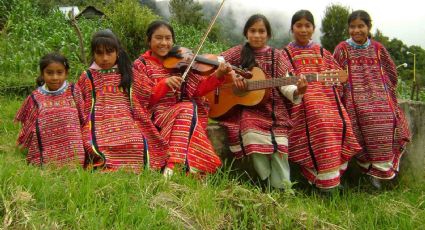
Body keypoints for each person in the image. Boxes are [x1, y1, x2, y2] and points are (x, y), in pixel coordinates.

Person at [218, 14, 308, 189]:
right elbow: (218, 61)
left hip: (275, 108)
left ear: (268, 35)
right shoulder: (238, 52)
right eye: (253, 31)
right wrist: (232, 75)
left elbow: (286, 84)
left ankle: (282, 187)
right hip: (249, 109)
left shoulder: (277, 55)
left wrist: (299, 90)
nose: (257, 35)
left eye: (261, 31)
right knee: (249, 132)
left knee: (280, 146)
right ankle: (266, 180)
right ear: (246, 33)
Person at [133, 20, 233, 176]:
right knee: (187, 108)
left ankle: (179, 166)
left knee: (188, 109)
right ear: (148, 40)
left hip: (182, 117)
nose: (164, 43)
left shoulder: (180, 63)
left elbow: (197, 90)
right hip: (155, 117)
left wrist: (218, 75)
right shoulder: (141, 65)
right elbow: (141, 98)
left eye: (168, 38)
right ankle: (175, 165)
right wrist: (164, 84)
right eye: (159, 38)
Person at [282, 10, 361, 191]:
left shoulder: (322, 52)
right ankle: (323, 181)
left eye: (307, 26)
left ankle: (332, 177)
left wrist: (329, 90)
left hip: (326, 98)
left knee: (341, 122)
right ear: (292, 29)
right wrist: (299, 90)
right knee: (320, 121)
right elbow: (284, 83)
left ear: (313, 29)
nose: (303, 30)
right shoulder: (285, 54)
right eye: (299, 25)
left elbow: (338, 79)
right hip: (300, 101)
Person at [333, 10, 410, 189]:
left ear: (368, 27)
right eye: (352, 27)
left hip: (379, 96)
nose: (356, 30)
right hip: (353, 99)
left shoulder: (377, 48)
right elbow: (336, 76)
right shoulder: (342, 49)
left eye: (361, 26)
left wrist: (385, 91)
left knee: (387, 118)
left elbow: (391, 72)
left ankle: (380, 173)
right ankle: (369, 172)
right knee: (358, 118)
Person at [77, 29, 161, 172]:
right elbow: (81, 103)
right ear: (93, 54)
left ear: (117, 53)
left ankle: (135, 167)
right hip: (98, 122)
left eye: (109, 53)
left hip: (127, 118)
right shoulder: (87, 76)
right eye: (99, 53)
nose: (104, 58)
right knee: (96, 144)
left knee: (137, 140)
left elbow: (149, 93)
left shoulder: (128, 73)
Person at [15, 53, 85, 167]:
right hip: (45, 153)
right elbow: (29, 125)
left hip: (75, 153)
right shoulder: (35, 97)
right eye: (49, 73)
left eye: (59, 72)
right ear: (42, 74)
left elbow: (83, 117)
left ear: (66, 73)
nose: (55, 77)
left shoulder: (73, 91)